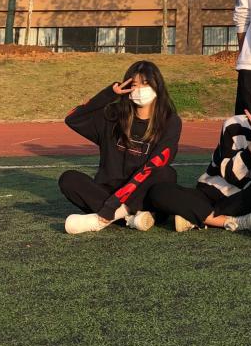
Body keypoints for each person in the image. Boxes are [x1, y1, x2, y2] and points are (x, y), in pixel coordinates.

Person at [147, 77, 251, 233]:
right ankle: (230, 221)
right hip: (211, 193)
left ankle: (196, 216)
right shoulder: (234, 124)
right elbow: (232, 175)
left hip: (242, 200)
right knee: (159, 192)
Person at [59, 60, 182, 234]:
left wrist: (112, 206)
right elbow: (73, 118)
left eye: (146, 84)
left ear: (157, 87)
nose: (140, 90)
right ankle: (133, 218)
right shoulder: (113, 115)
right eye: (135, 85)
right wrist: (109, 94)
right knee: (68, 179)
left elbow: (154, 164)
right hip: (108, 191)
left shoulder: (170, 121)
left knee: (166, 173)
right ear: (127, 87)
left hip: (141, 194)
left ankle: (112, 216)